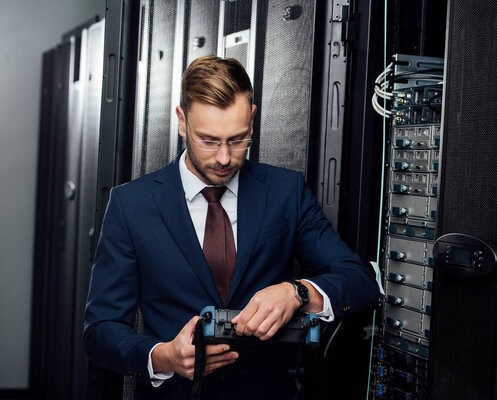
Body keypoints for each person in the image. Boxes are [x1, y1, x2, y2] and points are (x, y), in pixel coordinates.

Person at [83, 55, 379, 399]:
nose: (224, 158)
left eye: (238, 139)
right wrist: (163, 356)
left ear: (252, 120)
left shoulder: (285, 192)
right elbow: (100, 331)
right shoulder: (131, 204)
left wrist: (297, 292)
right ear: (182, 121)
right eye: (208, 140)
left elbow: (360, 282)